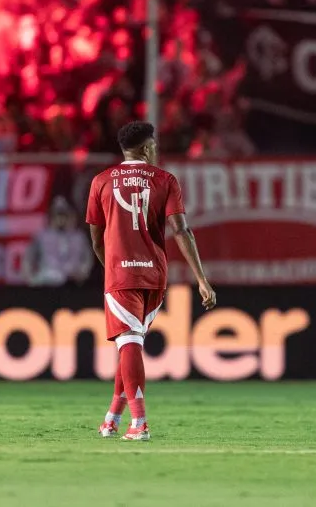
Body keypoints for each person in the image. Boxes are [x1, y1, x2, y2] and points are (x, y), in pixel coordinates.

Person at [85, 121, 216, 441]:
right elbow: (181, 230)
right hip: (155, 275)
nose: (157, 148)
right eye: (154, 144)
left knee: (129, 343)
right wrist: (201, 279)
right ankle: (112, 418)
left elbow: (96, 239)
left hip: (121, 273)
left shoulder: (101, 181)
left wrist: (112, 269)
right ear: (146, 148)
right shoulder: (165, 180)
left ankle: (139, 423)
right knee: (130, 343)